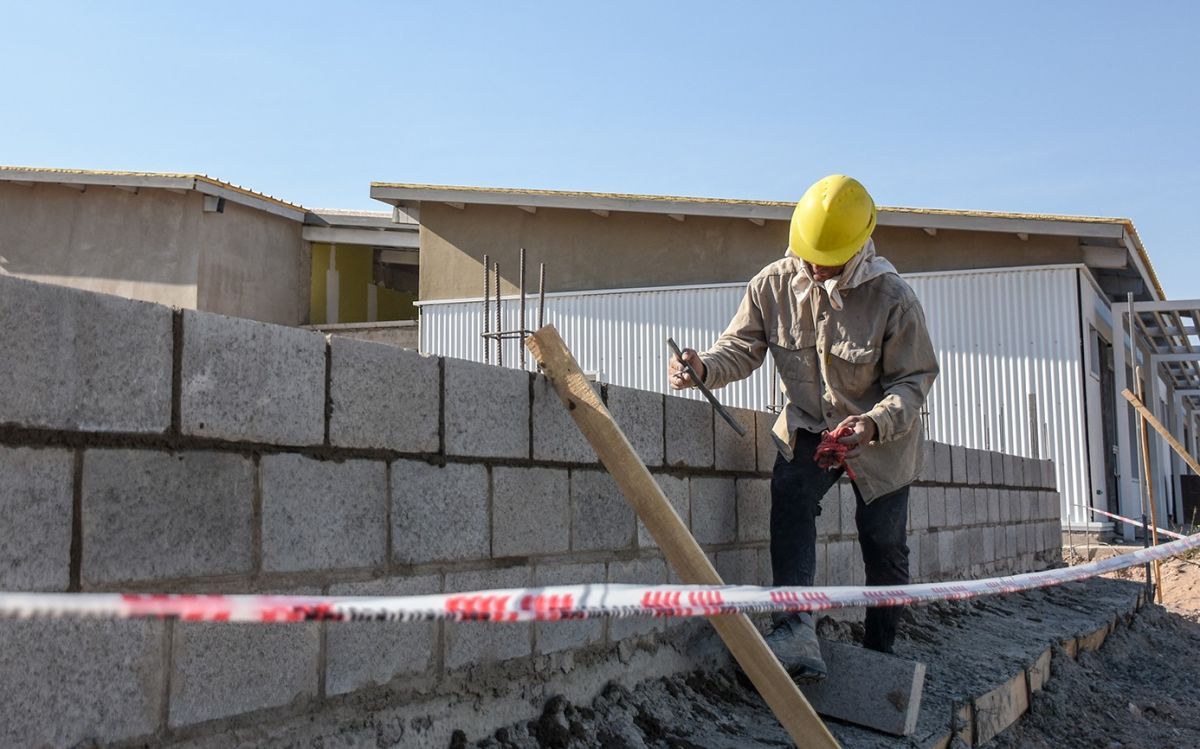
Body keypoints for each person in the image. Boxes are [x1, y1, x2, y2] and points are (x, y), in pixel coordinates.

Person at [669, 174, 938, 682]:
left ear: (859, 246)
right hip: (811, 425)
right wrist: (703, 367)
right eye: (809, 255)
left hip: (880, 440)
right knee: (791, 498)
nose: (815, 267)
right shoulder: (772, 284)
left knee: (883, 545)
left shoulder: (894, 299)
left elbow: (912, 383)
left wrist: (872, 425)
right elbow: (741, 347)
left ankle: (879, 659)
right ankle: (795, 629)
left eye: (828, 258)